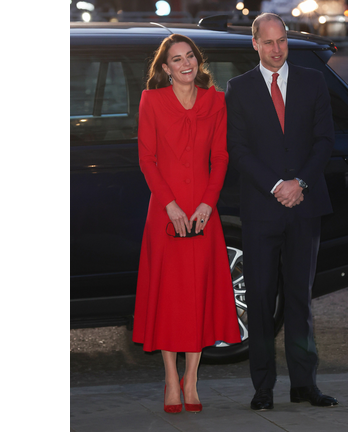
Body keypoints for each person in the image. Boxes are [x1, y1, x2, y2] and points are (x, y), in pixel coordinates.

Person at [225, 13, 340, 410]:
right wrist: (276, 186)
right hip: (261, 209)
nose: (277, 50)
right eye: (269, 42)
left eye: (283, 41)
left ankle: (304, 384)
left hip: (305, 207)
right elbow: (237, 149)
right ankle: (263, 388)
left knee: (299, 300)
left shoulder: (311, 81)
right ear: (254, 44)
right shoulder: (237, 89)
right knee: (259, 300)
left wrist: (300, 184)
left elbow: (325, 141)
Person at [132, 34, 242, 414]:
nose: (185, 64)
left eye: (189, 56)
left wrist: (208, 204)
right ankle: (169, 378)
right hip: (165, 213)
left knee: (197, 295)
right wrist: (171, 206)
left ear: (198, 61)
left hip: (202, 215)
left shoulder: (215, 100)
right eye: (176, 59)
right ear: (165, 68)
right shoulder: (152, 101)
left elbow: (221, 156)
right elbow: (147, 160)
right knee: (169, 297)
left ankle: (191, 379)